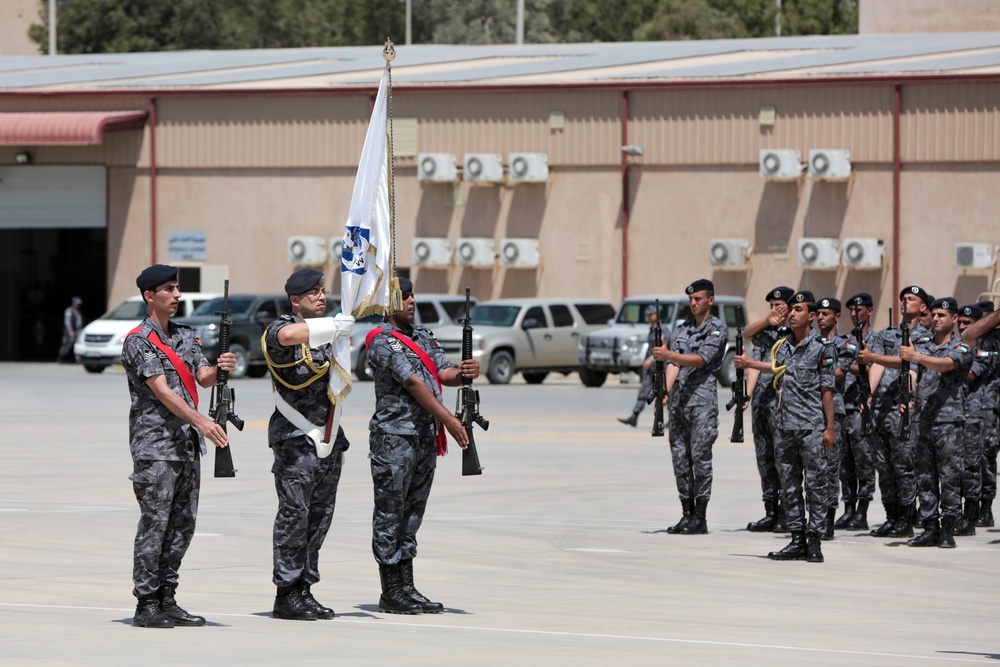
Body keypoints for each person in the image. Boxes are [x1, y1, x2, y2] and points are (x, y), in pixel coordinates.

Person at [121, 264, 237, 629]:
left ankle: (168, 597)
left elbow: (201, 377)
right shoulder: (139, 341)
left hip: (185, 446)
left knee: (182, 525)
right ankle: (146, 602)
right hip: (155, 447)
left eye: (177, 288)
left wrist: (221, 368)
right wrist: (202, 422)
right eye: (169, 289)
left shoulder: (185, 336)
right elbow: (162, 390)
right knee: (155, 524)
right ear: (149, 296)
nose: (177, 295)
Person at [366, 277, 480, 614]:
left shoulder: (422, 335)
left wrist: (464, 373)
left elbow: (442, 373)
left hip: (423, 436)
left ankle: (407, 585)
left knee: (412, 513)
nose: (413, 301)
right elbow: (414, 383)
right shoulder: (382, 341)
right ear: (388, 303)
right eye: (405, 296)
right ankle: (390, 591)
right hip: (394, 438)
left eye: (414, 295)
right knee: (390, 512)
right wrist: (448, 418)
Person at [262, 269, 355, 621]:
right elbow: (289, 336)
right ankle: (286, 592)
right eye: (312, 293)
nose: (321, 296)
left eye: (322, 290)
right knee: (294, 516)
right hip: (296, 439)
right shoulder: (281, 330)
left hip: (329, 437)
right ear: (295, 300)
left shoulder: (332, 336)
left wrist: (336, 329)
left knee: (319, 518)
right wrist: (334, 326)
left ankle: (304, 587)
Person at [736, 291, 836, 562]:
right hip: (784, 426)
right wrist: (748, 367)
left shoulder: (822, 347)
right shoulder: (781, 345)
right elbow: (774, 369)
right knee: (789, 486)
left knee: (815, 486)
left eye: (798, 310)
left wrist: (829, 427)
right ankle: (796, 539)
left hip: (812, 427)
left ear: (811, 316)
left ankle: (814, 541)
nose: (792, 313)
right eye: (790, 309)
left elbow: (827, 389)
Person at [857, 285, 933, 538]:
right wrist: (869, 393)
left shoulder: (923, 337)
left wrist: (875, 358)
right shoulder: (887, 333)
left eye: (911, 299)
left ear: (923, 307)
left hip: (903, 408)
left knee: (904, 466)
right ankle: (891, 517)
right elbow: (875, 362)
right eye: (903, 299)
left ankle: (906, 518)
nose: (905, 302)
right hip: (881, 408)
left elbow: (910, 364)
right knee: (884, 466)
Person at [652, 278, 728, 535]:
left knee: (700, 459)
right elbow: (674, 365)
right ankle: (687, 513)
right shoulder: (683, 329)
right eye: (691, 299)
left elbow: (699, 359)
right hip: (679, 402)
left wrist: (669, 355)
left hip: (702, 403)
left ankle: (701, 516)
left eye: (698, 299)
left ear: (710, 300)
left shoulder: (717, 329)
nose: (693, 303)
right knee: (680, 460)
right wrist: (664, 391)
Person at [901, 298, 973, 548]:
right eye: (934, 314)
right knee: (925, 477)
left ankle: (948, 529)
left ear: (954, 319)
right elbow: (912, 370)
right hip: (922, 420)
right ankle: (930, 527)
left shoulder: (962, 347)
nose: (937, 318)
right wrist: (907, 394)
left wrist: (917, 356)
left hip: (949, 422)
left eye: (942, 314)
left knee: (950, 477)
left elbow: (945, 365)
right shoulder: (922, 344)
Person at [740, 285, 794, 532]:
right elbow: (746, 334)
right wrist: (748, 394)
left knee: (783, 459)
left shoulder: (794, 334)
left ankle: (787, 513)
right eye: (771, 306)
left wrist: (752, 363)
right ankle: (770, 511)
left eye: (779, 305)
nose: (775, 310)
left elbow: (775, 366)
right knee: (764, 459)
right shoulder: (766, 331)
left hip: (784, 404)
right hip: (763, 403)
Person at [835, 292, 877, 531]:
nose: (855, 313)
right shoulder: (844, 340)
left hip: (862, 407)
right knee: (845, 463)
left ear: (869, 311)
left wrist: (847, 365)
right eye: (851, 310)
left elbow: (872, 367)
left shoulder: (876, 339)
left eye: (859, 309)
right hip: (844, 407)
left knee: (864, 461)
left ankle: (862, 510)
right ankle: (848, 508)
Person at [960, 301, 1000, 528]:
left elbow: (970, 374)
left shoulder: (987, 344)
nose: (964, 326)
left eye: (969, 322)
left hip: (984, 410)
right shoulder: (960, 344)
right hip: (963, 410)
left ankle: (986, 507)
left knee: (985, 458)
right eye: (961, 322)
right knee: (967, 462)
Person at [816, 297, 851, 540]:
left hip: (833, 412)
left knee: (830, 466)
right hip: (808, 411)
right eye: (818, 313)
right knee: (812, 468)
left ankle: (828, 519)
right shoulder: (810, 343)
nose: (820, 317)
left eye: (826, 313)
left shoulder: (846, 344)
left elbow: (837, 374)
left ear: (837, 316)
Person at [618, 304, 662, 428]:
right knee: (643, 391)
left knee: (665, 394)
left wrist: (652, 360)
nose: (648, 317)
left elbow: (665, 348)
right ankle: (634, 416)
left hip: (661, 368)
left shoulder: (662, 330)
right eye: (647, 315)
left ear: (656, 315)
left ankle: (673, 420)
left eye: (651, 314)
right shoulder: (652, 329)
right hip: (651, 369)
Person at [59, 296, 83, 362]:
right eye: (77, 303)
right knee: (67, 344)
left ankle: (78, 358)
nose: (78, 305)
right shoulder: (69, 311)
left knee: (78, 344)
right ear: (73, 303)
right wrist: (70, 331)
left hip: (78, 330)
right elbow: (67, 321)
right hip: (70, 331)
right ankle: (61, 357)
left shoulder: (79, 311)